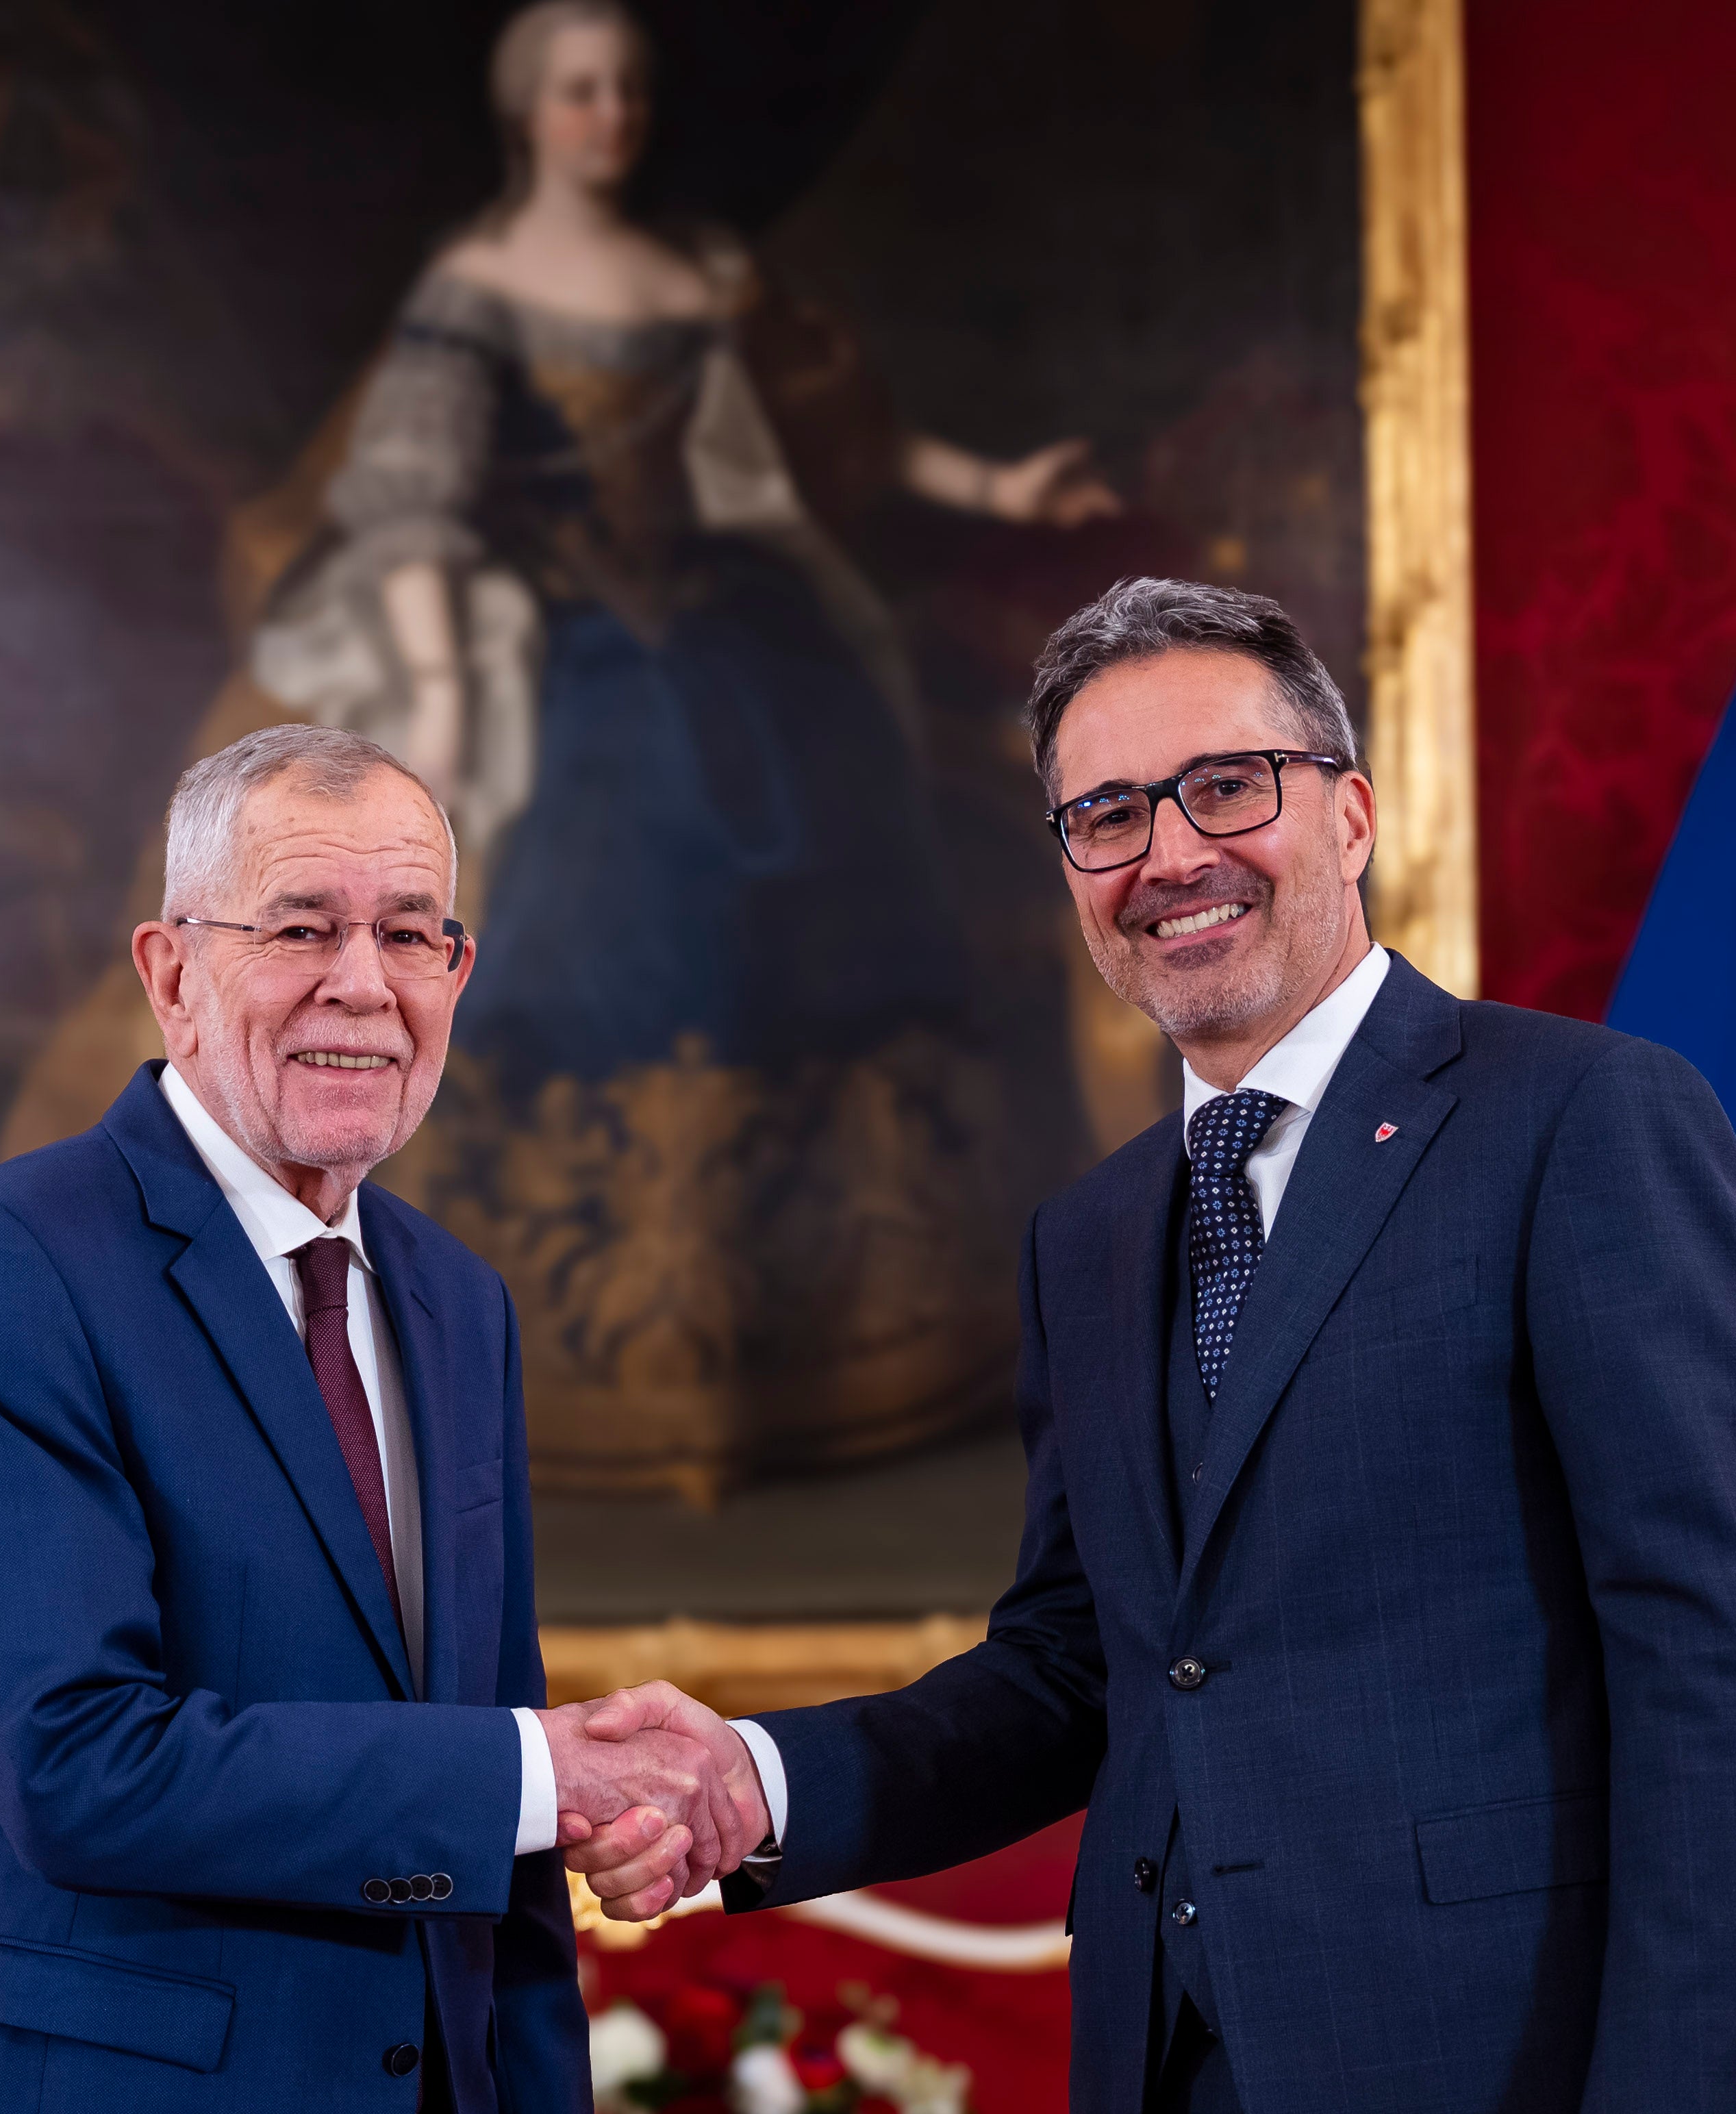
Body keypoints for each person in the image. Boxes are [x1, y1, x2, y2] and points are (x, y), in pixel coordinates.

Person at [565, 581, 1736, 2114]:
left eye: (1222, 784)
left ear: (1349, 809)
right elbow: (1079, 1668)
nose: (1167, 854)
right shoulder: (1099, 1230)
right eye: (1105, 815)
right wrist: (750, 1779)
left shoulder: (1578, 1122)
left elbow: (1715, 1660)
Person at [0, 725, 762, 2114]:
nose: (365, 980)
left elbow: (495, 1786)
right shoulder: (6, 1268)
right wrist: (538, 1769)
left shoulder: (455, 1299)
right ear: (169, 964)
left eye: (416, 931)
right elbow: (79, 1765)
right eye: (301, 923)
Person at [253, 0, 1117, 1505]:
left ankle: (833, 1323)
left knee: (841, 851)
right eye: (582, 92)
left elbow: (828, 444)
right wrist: (444, 684)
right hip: (559, 640)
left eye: (629, 90)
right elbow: (408, 496)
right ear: (526, 111)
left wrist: (998, 482)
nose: (612, 117)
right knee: (602, 877)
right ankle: (567, 1350)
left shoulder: (701, 275)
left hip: (736, 627)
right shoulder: (476, 287)